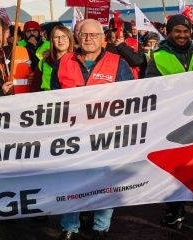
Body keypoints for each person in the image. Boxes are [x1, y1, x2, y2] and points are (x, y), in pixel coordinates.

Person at [51, 19, 134, 240]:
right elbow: (53, 99)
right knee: (71, 182)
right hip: (72, 135)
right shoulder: (63, 62)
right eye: (84, 34)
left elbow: (131, 99)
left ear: (102, 38)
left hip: (106, 136)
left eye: (93, 35)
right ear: (77, 37)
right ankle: (69, 227)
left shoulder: (119, 64)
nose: (88, 39)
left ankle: (101, 227)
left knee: (106, 182)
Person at [144, 14, 193, 227]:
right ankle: (175, 210)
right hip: (171, 119)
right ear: (168, 32)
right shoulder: (158, 56)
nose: (182, 35)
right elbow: (150, 85)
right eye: (177, 31)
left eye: (186, 31)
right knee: (174, 166)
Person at [0, 17, 32, 96]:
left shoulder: (24, 51)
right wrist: (1, 92)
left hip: (24, 104)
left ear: (7, 33)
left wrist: (36, 76)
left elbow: (43, 72)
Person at [30, 25, 74, 92]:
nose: (60, 40)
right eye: (56, 37)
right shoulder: (43, 63)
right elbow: (35, 89)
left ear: (70, 39)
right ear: (52, 40)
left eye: (64, 37)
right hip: (49, 100)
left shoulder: (78, 61)